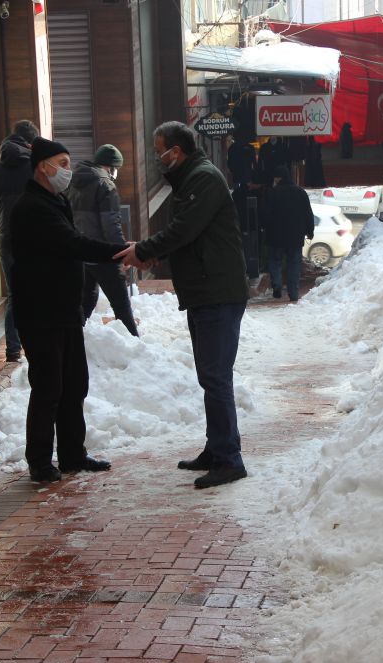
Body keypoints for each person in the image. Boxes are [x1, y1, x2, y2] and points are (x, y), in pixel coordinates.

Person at [116, 121, 250, 489]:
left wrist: (143, 251)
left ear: (177, 151)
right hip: (206, 291)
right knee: (211, 376)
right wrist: (153, 257)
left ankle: (228, 459)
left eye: (160, 149)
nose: (158, 157)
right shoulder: (193, 178)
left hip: (217, 293)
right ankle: (217, 447)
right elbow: (191, 238)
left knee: (216, 377)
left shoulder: (203, 178)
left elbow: (184, 229)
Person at [9, 137, 126, 484]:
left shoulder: (55, 200)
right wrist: (120, 251)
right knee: (48, 387)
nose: (67, 170)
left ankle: (73, 454)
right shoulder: (32, 207)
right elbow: (72, 244)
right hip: (41, 312)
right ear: (42, 167)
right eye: (61, 163)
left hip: (64, 309)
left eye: (68, 163)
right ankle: (40, 462)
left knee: (74, 384)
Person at [66, 144, 139, 336]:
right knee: (121, 306)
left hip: (81, 252)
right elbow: (111, 225)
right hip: (103, 255)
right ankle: (134, 345)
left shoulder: (72, 182)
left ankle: (74, 340)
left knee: (86, 301)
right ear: (112, 167)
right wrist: (122, 253)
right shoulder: (105, 185)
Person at [0, 120, 39, 362]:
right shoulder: (35, 166)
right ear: (30, 142)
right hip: (34, 237)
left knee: (16, 294)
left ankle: (12, 349)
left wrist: (4, 225)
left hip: (7, 238)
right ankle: (35, 343)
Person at [262, 165, 313, 301]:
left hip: (275, 236)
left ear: (279, 178)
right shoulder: (300, 192)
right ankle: (294, 293)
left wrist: (263, 227)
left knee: (275, 261)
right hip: (295, 236)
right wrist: (310, 231)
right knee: (294, 264)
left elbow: (265, 215)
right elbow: (308, 213)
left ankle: (277, 285)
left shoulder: (272, 193)